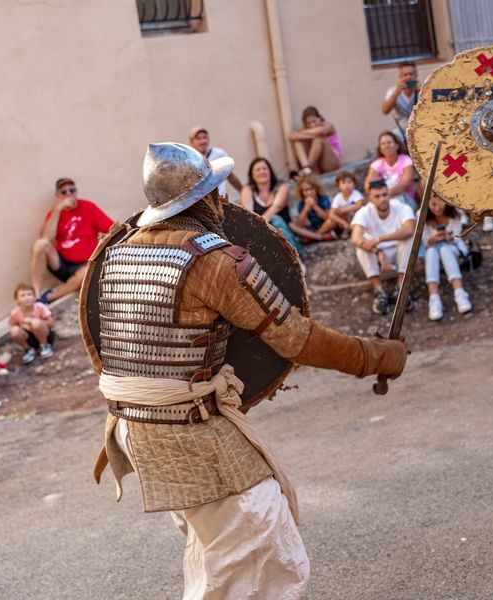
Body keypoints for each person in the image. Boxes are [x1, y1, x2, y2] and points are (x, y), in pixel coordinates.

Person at [81, 142, 406, 598]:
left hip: (134, 427)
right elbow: (295, 339)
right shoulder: (216, 261)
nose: (223, 201)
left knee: (219, 553)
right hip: (188, 431)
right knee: (256, 551)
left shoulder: (121, 250)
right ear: (204, 200)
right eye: (216, 191)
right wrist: (374, 356)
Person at [32, 178, 114, 304]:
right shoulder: (54, 213)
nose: (69, 194)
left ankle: (49, 298)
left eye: (72, 190)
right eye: (64, 192)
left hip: (84, 264)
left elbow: (111, 229)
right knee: (40, 244)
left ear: (76, 192)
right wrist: (58, 210)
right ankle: (37, 294)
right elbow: (46, 238)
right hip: (62, 264)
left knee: (87, 272)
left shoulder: (88, 207)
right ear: (57, 196)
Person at [351, 180, 416, 316]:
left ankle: (401, 288)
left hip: (398, 250)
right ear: (370, 198)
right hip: (377, 253)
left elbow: (410, 230)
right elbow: (355, 238)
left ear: (389, 194)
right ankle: (379, 290)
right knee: (361, 246)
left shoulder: (401, 207)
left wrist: (379, 239)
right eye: (377, 196)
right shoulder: (364, 212)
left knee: (409, 239)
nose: (382, 199)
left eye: (385, 195)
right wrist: (378, 251)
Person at [240, 157, 303, 256]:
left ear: (270, 171)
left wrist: (257, 227)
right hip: (262, 237)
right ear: (252, 174)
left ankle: (296, 260)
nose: (262, 171)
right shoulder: (248, 189)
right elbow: (248, 214)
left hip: (286, 237)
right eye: (258, 169)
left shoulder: (282, 187)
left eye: (264, 168)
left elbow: (276, 207)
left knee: (276, 220)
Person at [423, 195, 472, 320]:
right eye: (433, 204)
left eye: (440, 204)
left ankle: (459, 292)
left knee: (444, 249)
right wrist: (432, 239)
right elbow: (423, 242)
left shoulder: (455, 213)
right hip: (433, 251)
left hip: (453, 248)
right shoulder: (421, 216)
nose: (437, 208)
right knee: (431, 252)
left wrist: (449, 238)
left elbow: (458, 236)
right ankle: (434, 297)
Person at [365, 131, 417, 210]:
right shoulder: (377, 164)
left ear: (397, 145)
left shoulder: (406, 160)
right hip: (382, 199)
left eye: (389, 142)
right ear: (380, 148)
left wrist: (385, 195)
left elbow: (405, 182)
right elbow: (368, 185)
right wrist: (382, 197)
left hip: (404, 198)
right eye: (383, 144)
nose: (386, 146)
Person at [188, 126, 243, 198]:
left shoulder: (219, 154)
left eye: (205, 137)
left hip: (220, 199)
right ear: (191, 142)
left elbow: (230, 176)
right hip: (200, 202)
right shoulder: (189, 160)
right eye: (198, 138)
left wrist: (243, 191)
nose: (203, 141)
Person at [9, 282, 56, 364]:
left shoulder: (40, 307)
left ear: (34, 297)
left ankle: (44, 346)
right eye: (23, 295)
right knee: (14, 331)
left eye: (29, 294)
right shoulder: (15, 313)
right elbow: (13, 326)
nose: (27, 298)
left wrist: (33, 321)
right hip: (29, 338)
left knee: (36, 323)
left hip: (46, 336)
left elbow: (52, 323)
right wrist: (23, 326)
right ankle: (28, 350)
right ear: (17, 300)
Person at [288, 106, 342, 176]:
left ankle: (306, 170)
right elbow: (291, 136)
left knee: (319, 139)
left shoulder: (329, 126)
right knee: (297, 142)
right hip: (316, 166)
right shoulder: (307, 130)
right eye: (308, 123)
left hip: (331, 163)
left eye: (314, 121)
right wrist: (310, 135)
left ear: (319, 118)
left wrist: (303, 133)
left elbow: (321, 131)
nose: (312, 125)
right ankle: (306, 168)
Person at [288, 175, 338, 242]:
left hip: (326, 225)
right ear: (301, 192)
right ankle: (320, 237)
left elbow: (327, 217)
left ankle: (313, 238)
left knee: (332, 221)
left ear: (316, 188)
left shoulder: (323, 199)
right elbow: (300, 224)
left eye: (311, 189)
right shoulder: (302, 204)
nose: (309, 193)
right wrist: (306, 208)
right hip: (313, 227)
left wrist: (315, 206)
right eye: (306, 190)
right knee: (292, 225)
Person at [382, 61, 420, 142]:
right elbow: (385, 110)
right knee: (392, 139)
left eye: (411, 74)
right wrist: (396, 92)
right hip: (401, 130)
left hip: (420, 128)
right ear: (400, 77)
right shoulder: (393, 91)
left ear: (416, 76)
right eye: (405, 75)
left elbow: (434, 107)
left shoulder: (423, 90)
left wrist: (421, 91)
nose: (408, 77)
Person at [328, 171, 365, 235]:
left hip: (357, 218)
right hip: (344, 221)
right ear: (338, 186)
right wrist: (342, 222)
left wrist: (344, 209)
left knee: (343, 210)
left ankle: (348, 230)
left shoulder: (356, 194)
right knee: (334, 216)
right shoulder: (338, 197)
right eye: (343, 183)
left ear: (354, 184)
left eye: (349, 182)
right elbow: (331, 213)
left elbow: (359, 206)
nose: (347, 185)